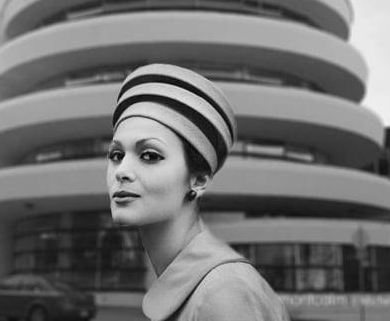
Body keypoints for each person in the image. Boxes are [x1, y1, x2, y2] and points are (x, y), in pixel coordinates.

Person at [106, 63, 289, 321]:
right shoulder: (204, 287)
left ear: (199, 180)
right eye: (116, 154)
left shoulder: (223, 295)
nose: (121, 171)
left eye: (149, 155)